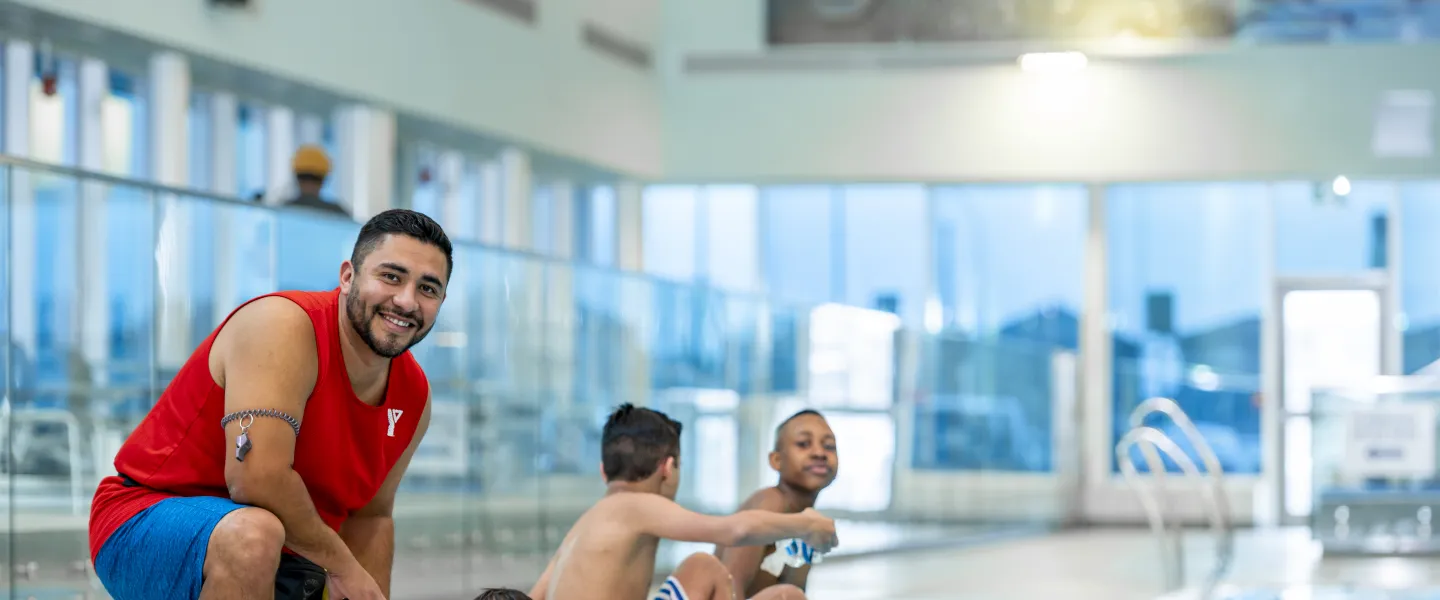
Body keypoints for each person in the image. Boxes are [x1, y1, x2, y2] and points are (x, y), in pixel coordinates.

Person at [87, 208, 453, 600]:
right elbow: (254, 477)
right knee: (253, 534)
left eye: (427, 289)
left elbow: (372, 518)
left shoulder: (414, 395)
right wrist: (344, 568)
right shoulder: (282, 325)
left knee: (264, 537)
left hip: (289, 553)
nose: (406, 301)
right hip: (146, 517)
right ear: (348, 277)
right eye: (391, 277)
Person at [527, 404, 839, 600]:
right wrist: (809, 523)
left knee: (703, 569)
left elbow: (536, 595)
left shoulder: (585, 524)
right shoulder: (636, 506)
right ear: (668, 467)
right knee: (713, 571)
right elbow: (736, 531)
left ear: (603, 471)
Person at [715, 410, 839, 599]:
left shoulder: (807, 521)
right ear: (776, 460)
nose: (819, 453)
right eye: (803, 444)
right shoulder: (770, 503)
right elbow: (730, 585)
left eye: (829, 446)